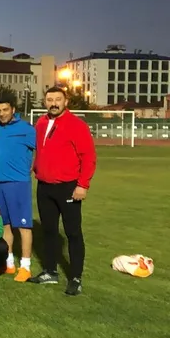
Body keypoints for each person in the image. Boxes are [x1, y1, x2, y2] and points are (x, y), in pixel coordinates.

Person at [28, 87, 97, 296]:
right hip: (45, 187)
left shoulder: (76, 125)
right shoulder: (41, 123)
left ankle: (75, 278)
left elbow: (88, 156)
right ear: (45, 102)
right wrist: (35, 168)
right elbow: (41, 151)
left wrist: (83, 185)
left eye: (58, 99)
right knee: (49, 231)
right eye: (50, 100)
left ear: (65, 102)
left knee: (73, 233)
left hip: (68, 187)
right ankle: (50, 272)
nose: (54, 103)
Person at [0, 98, 36, 282]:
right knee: (4, 225)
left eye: (5, 109)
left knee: (23, 226)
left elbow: (41, 150)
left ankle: (25, 267)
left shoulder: (26, 129)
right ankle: (9, 263)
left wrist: (32, 166)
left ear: (13, 110)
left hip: (18, 183)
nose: (2, 113)